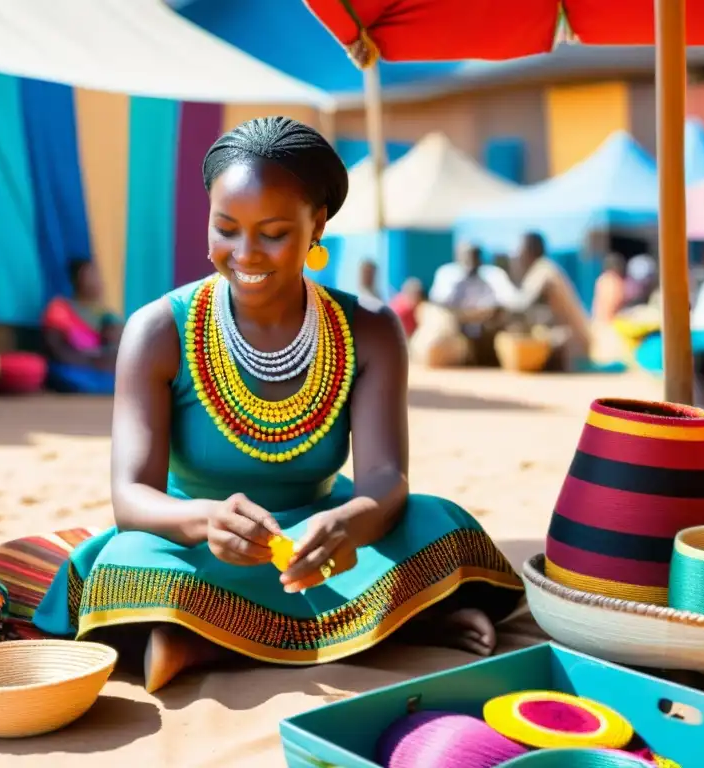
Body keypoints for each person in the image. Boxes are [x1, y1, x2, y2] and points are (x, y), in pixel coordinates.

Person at [31, 117, 523, 693]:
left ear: (318, 224)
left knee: (436, 522)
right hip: (200, 542)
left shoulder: (370, 329)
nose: (245, 253)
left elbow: (386, 477)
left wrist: (349, 521)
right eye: (226, 228)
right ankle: (404, 619)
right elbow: (132, 498)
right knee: (130, 562)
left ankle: (203, 637)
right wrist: (203, 520)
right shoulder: (158, 330)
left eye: (272, 232)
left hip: (328, 535)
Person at [42, 258, 122, 395]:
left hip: (97, 371)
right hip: (71, 368)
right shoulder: (59, 309)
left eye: (97, 275)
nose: (97, 280)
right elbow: (55, 349)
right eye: (90, 275)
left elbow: (115, 350)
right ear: (76, 280)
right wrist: (90, 361)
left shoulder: (105, 315)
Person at [516, 233, 592, 368]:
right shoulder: (545, 269)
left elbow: (521, 306)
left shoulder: (543, 270)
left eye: (521, 249)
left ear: (531, 250)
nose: (518, 254)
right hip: (575, 341)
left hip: (573, 346)